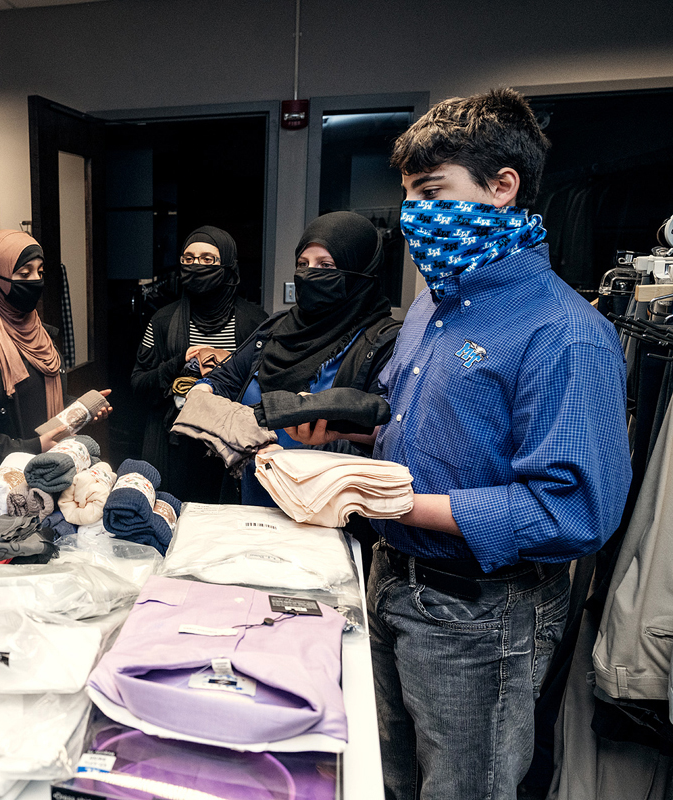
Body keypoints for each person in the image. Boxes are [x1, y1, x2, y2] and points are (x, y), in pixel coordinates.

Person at [288, 89, 631, 800]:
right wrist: (342, 446)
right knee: (384, 777)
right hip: (389, 578)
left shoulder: (566, 334)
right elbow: (422, 426)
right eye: (408, 195)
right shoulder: (430, 307)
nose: (413, 214)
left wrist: (395, 502)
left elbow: (573, 512)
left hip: (481, 613)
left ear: (502, 187)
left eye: (431, 192)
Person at [200, 211, 400, 504]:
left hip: (323, 508)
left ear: (360, 270)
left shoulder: (382, 342)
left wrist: (303, 451)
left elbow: (386, 438)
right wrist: (203, 394)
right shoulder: (277, 327)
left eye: (326, 266)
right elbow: (224, 379)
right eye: (303, 264)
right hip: (249, 498)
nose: (309, 274)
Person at [0, 228, 110, 486]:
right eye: (24, 273)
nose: (36, 281)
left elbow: (39, 401)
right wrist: (33, 447)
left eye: (40, 272)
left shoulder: (42, 335)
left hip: (48, 477)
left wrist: (81, 408)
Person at [131, 226, 267, 502]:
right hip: (172, 448)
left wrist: (227, 370)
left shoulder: (255, 323)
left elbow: (266, 388)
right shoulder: (163, 321)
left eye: (207, 259)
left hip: (232, 450)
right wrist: (178, 362)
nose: (196, 266)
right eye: (189, 259)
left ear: (228, 266)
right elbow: (138, 385)